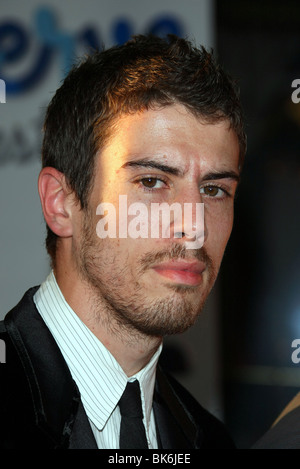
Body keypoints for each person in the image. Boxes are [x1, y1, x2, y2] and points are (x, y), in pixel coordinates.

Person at [0, 34, 246, 450]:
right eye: (152, 181)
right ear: (61, 204)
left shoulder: (209, 440)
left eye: (214, 190)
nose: (195, 226)